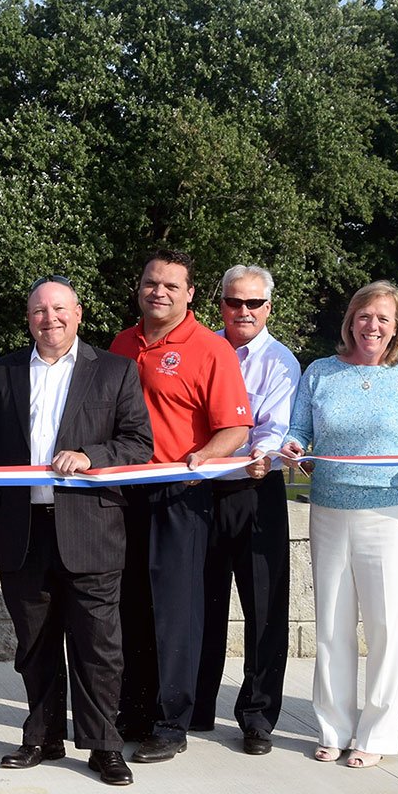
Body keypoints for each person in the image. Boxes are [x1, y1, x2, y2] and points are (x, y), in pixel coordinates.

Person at [0, 277, 155, 786]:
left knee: (98, 645)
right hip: (24, 532)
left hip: (92, 532)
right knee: (36, 645)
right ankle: (41, 737)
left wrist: (93, 457)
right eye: (40, 311)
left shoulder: (114, 371)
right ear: (29, 319)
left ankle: (104, 744)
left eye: (60, 309)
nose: (51, 319)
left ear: (79, 314)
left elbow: (138, 443)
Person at [267, 280, 398, 769]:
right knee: (332, 627)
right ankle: (333, 728)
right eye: (364, 316)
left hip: (389, 514)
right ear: (350, 321)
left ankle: (376, 735)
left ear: (396, 326)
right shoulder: (320, 372)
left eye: (383, 318)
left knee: (385, 627)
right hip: (329, 510)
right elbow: (300, 430)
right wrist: (293, 447)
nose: (372, 325)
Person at [110, 249, 251, 763]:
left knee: (175, 610)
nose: (159, 292)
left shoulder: (210, 349)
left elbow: (235, 427)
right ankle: (134, 708)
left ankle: (172, 721)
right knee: (130, 604)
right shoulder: (122, 344)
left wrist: (201, 459)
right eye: (151, 283)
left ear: (190, 294)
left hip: (180, 494)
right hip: (125, 493)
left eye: (171, 285)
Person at [202, 264, 302, 756]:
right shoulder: (200, 349)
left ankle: (258, 716)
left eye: (254, 303)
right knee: (199, 603)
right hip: (196, 491)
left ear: (269, 307)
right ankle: (195, 705)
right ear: (219, 303)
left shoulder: (283, 361)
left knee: (264, 609)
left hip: (256, 491)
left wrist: (258, 455)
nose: (243, 311)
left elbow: (274, 426)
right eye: (234, 302)